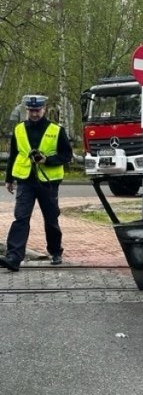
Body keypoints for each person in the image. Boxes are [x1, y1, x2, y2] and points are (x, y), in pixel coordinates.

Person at [0, 95, 73, 272]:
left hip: (48, 182)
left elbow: (67, 155)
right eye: (31, 110)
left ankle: (55, 251)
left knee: (51, 218)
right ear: (27, 110)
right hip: (25, 180)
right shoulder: (19, 129)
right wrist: (9, 178)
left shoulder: (56, 130)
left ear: (44, 109)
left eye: (37, 110)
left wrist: (47, 160)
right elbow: (14, 155)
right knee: (21, 218)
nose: (34, 114)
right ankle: (14, 257)